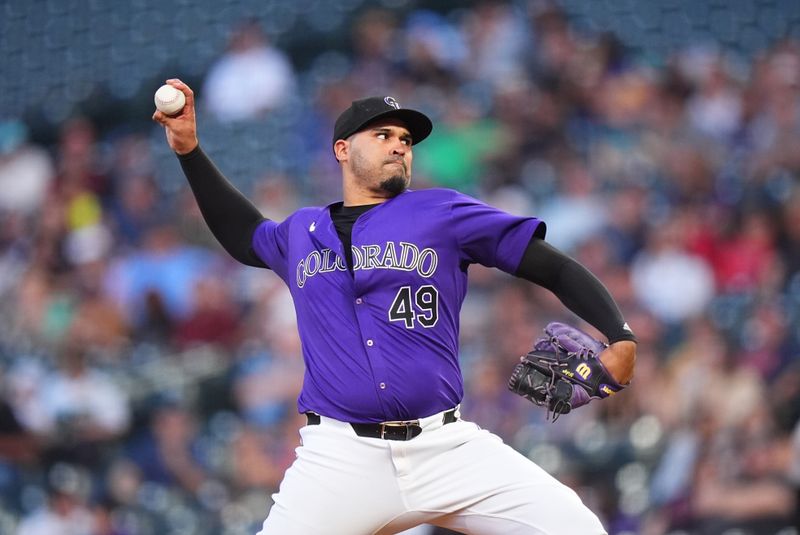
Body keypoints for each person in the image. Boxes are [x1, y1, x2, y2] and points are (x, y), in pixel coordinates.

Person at [153, 79, 637, 535]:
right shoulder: (301, 232)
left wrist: (620, 335)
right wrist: (189, 152)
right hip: (339, 457)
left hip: (445, 447)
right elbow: (243, 234)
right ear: (342, 150)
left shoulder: (440, 212)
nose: (400, 145)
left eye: (405, 138)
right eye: (383, 134)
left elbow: (551, 267)